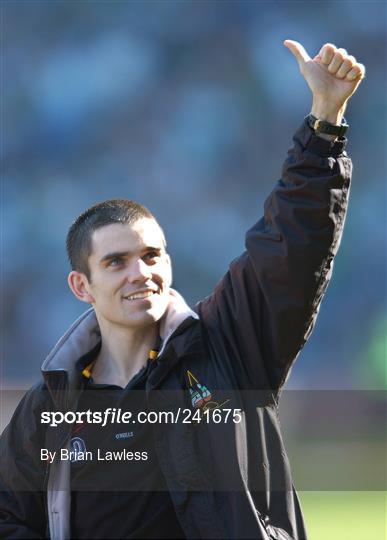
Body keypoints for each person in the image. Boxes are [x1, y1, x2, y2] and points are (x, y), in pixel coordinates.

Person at [0, 40, 365, 540]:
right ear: (81, 285)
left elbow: (288, 254)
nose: (140, 273)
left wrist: (324, 125)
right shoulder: (50, 406)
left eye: (151, 256)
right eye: (116, 262)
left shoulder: (227, 349)